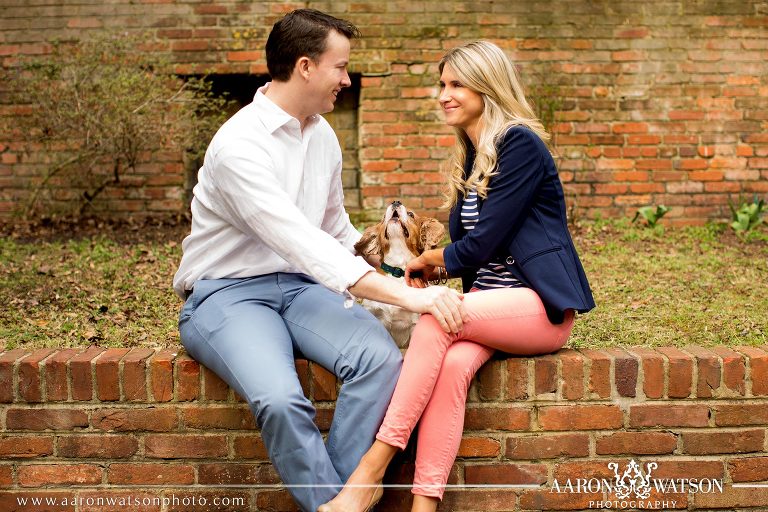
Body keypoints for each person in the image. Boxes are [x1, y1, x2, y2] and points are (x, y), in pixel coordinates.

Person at [172, 9, 465, 512]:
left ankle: (339, 502)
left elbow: (333, 232)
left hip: (303, 289)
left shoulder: (323, 136)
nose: (347, 80)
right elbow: (296, 239)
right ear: (305, 66)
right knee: (282, 401)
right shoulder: (238, 146)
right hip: (227, 294)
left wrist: (402, 269)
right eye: (341, 67)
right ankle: (337, 503)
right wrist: (403, 297)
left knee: (378, 361)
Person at [318, 40, 595, 512]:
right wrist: (434, 261)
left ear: (487, 87)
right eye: (441, 84)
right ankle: (425, 505)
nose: (442, 94)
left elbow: (482, 244)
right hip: (490, 306)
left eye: (456, 84)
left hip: (536, 306)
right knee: (449, 371)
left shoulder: (518, 144)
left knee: (434, 316)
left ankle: (370, 471)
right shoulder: (475, 152)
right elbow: (475, 246)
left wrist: (429, 261)